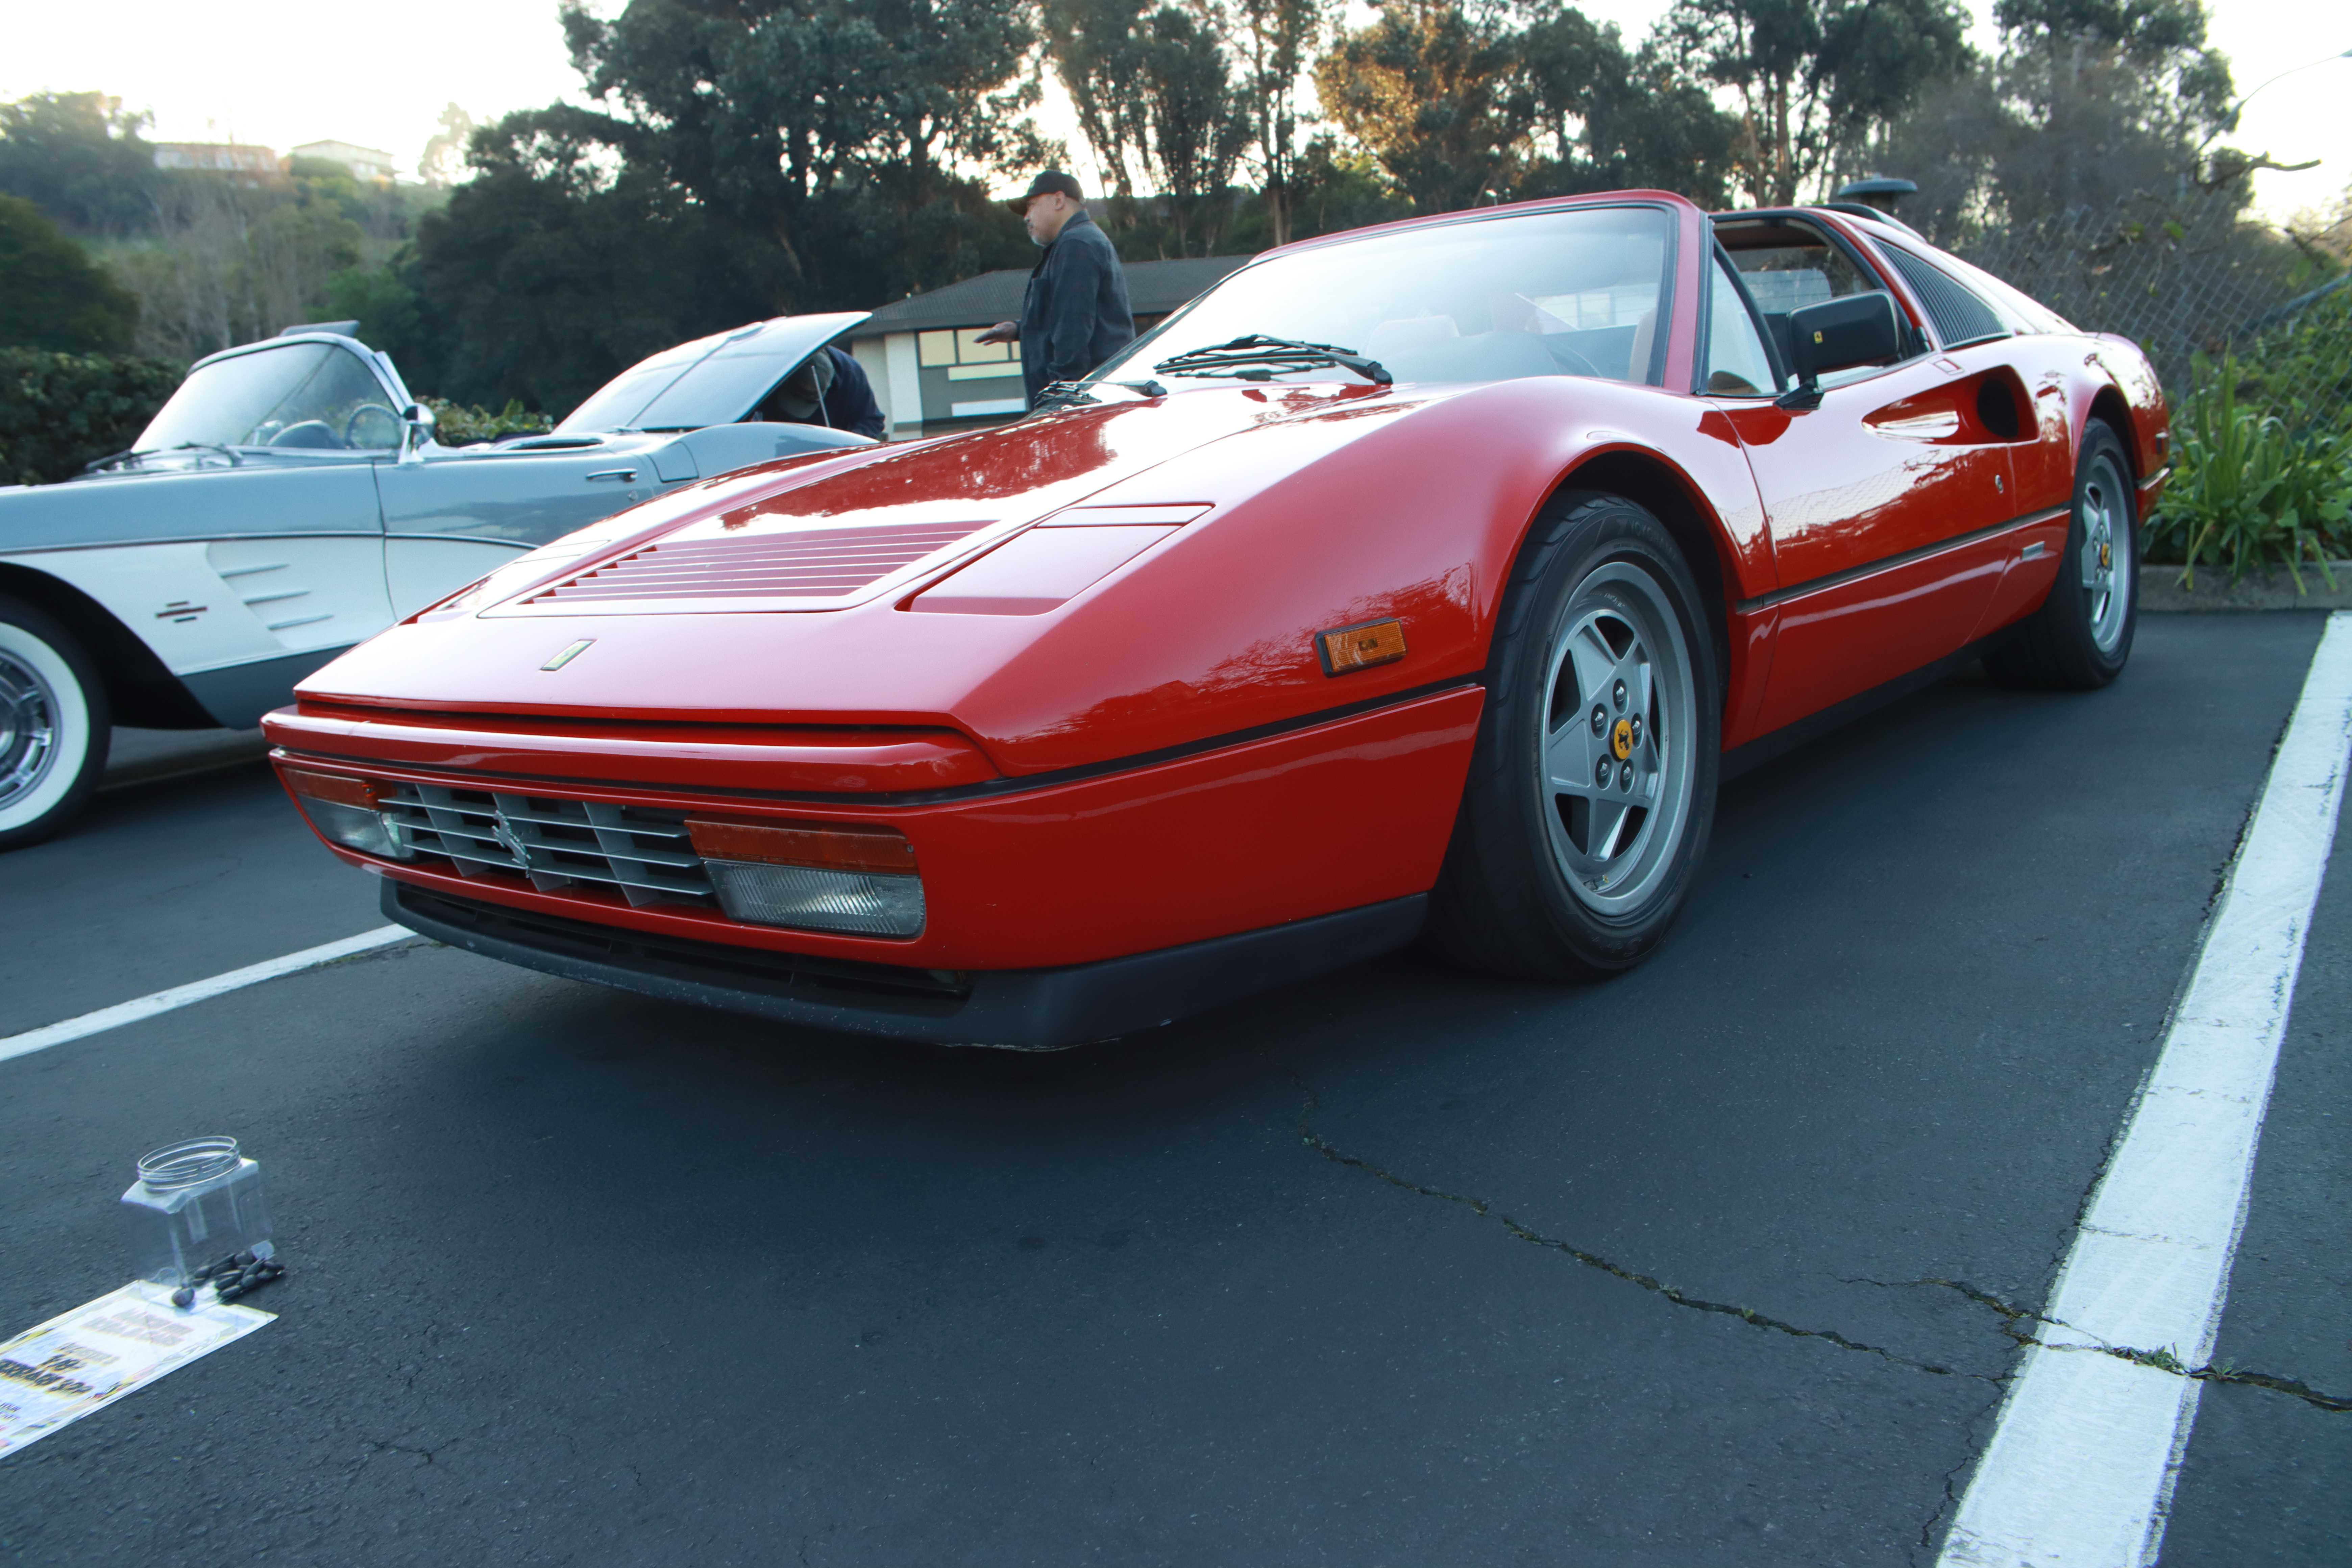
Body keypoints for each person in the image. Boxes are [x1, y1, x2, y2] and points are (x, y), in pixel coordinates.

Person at [976, 171, 1134, 407]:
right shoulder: (1078, 242)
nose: (1026, 217)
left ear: (1059, 201)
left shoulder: (1076, 245)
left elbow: (1074, 331)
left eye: (1031, 206)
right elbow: (1070, 318)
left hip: (1080, 408)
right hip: (1091, 404)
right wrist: (1021, 330)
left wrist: (1059, 404)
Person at [757, 345, 887, 439]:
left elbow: (872, 421)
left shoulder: (852, 375)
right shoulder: (772, 374)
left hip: (836, 454)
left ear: (830, 386)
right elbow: (754, 418)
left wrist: (848, 442)